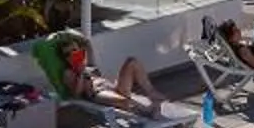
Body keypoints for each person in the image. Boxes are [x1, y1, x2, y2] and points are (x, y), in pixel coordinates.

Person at [36, 32, 166, 115]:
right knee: (124, 101)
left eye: (74, 50)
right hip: (96, 93)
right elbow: (75, 95)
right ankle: (149, 111)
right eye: (67, 54)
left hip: (112, 87)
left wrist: (64, 34)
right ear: (64, 58)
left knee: (132, 61)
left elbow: (86, 41)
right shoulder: (68, 73)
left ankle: (152, 93)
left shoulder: (88, 62)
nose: (72, 54)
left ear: (79, 50)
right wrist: (80, 74)